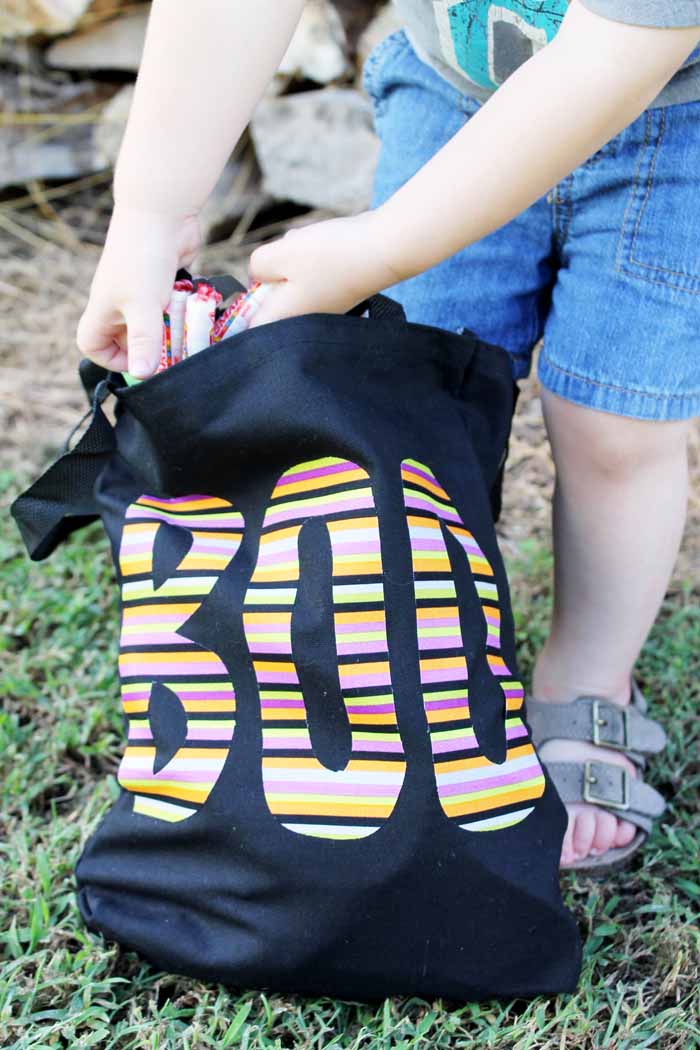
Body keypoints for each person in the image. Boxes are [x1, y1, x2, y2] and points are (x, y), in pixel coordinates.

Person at [76, 0, 700, 869]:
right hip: (456, 99)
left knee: (617, 428)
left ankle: (587, 681)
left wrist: (383, 246)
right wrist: (150, 209)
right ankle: (426, 645)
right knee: (412, 391)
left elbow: (625, 46)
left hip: (678, 127)